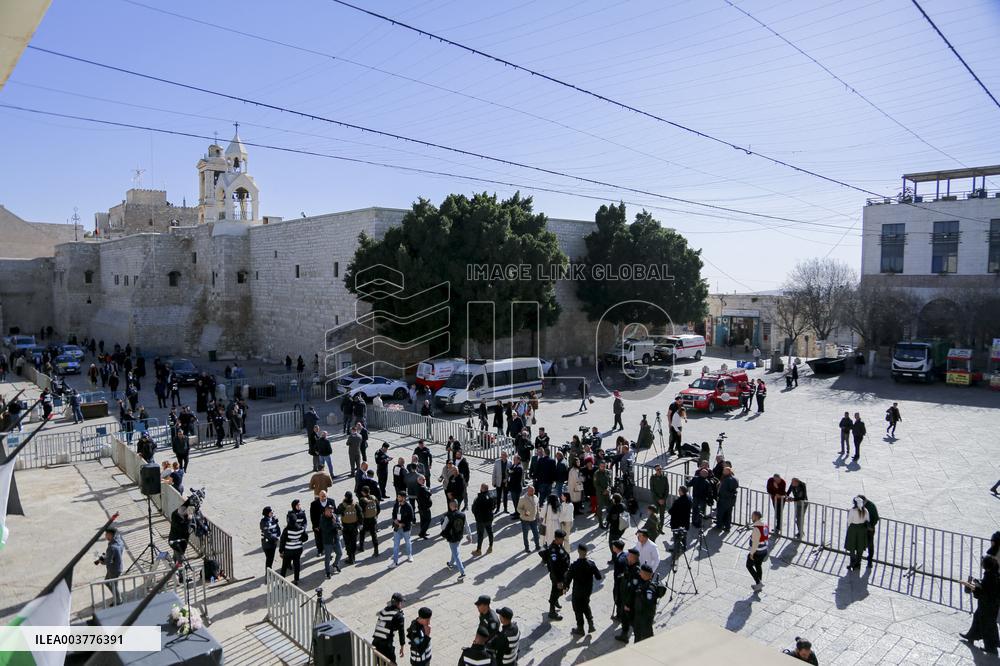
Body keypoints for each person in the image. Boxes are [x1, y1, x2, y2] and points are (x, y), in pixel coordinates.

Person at [960, 556, 999, 656]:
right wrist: (978, 584)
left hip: (988, 605)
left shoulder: (990, 577)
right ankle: (971, 636)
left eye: (982, 562)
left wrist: (969, 585)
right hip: (992, 604)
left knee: (988, 624)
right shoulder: (993, 574)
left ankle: (991, 647)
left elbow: (983, 592)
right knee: (979, 618)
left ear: (986, 566)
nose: (981, 563)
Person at [565, 543, 602, 635]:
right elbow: (598, 577)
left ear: (578, 551)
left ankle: (580, 628)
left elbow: (568, 578)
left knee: (577, 609)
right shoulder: (591, 564)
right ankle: (591, 623)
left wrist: (565, 587)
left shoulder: (574, 565)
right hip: (587, 591)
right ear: (586, 552)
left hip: (577, 591)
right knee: (585, 605)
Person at [540, 529, 571, 620]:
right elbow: (554, 568)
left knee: (563, 590)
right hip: (557, 576)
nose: (563, 540)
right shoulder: (553, 551)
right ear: (557, 538)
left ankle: (555, 599)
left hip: (563, 574)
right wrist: (558, 581)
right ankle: (552, 612)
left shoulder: (559, 545)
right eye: (562, 538)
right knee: (556, 591)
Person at [372, 592, 406, 664]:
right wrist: (402, 647)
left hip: (375, 642)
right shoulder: (399, 615)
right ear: (399, 603)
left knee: (380, 663)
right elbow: (401, 632)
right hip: (386, 645)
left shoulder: (384, 610)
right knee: (391, 664)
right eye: (402, 603)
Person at [744, 510, 770, 592]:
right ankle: (759, 584)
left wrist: (751, 554)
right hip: (764, 550)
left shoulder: (756, 529)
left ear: (756, 517)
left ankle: (758, 582)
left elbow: (755, 543)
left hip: (757, 552)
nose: (751, 517)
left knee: (749, 565)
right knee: (758, 566)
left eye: (752, 516)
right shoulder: (764, 524)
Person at [442, 499, 467, 581]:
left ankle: (462, 572)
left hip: (452, 538)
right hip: (459, 536)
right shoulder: (463, 514)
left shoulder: (448, 515)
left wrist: (442, 523)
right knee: (455, 550)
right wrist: (470, 535)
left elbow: (443, 527)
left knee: (456, 554)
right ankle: (450, 564)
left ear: (451, 506)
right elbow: (466, 525)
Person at [99, 527, 125, 605]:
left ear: (110, 534)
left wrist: (101, 561)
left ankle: (118, 601)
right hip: (118, 566)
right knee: (108, 582)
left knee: (114, 585)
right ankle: (117, 598)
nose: (105, 536)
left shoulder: (111, 547)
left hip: (113, 570)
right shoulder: (120, 540)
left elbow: (108, 562)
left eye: (106, 534)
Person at [389, 492, 415, 568]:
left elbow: (411, 518)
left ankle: (409, 555)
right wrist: (395, 520)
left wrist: (403, 524)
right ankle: (395, 562)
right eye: (397, 497)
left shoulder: (408, 506)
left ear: (403, 498)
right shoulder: (396, 504)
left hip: (405, 528)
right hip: (397, 528)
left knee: (407, 542)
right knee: (396, 545)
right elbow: (393, 513)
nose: (398, 498)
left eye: (399, 497)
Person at [278, 513, 305, 584]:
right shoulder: (300, 528)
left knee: (284, 565)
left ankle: (282, 581)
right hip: (298, 549)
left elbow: (282, 541)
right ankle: (296, 580)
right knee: (297, 565)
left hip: (288, 550)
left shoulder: (286, 530)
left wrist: (281, 551)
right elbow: (305, 537)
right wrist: (298, 539)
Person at [845, 496, 869, 571]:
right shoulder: (865, 510)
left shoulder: (852, 511)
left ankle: (852, 563)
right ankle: (858, 563)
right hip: (862, 530)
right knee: (860, 547)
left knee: (852, 547)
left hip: (853, 529)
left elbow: (849, 521)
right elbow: (868, 520)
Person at [337, 492, 361, 564]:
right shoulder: (355, 504)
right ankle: (353, 557)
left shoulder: (342, 505)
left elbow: (337, 511)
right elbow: (360, 514)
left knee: (347, 543)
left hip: (346, 526)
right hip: (354, 526)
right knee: (353, 542)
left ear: (346, 497)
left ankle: (350, 557)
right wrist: (360, 524)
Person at [472, 484, 495, 556]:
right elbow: (494, 506)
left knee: (480, 535)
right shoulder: (491, 496)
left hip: (481, 520)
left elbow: (474, 509)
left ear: (482, 489)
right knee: (490, 532)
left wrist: (476, 516)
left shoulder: (479, 498)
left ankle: (479, 550)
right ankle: (490, 546)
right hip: (489, 518)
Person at [320, 505, 343, 577]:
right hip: (328, 541)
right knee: (327, 557)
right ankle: (327, 571)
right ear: (326, 511)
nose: (331, 513)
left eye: (332, 511)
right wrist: (334, 524)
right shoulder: (322, 518)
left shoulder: (334, 516)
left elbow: (339, 525)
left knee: (340, 553)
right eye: (330, 512)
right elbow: (326, 529)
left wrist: (338, 525)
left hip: (336, 539)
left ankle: (335, 564)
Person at [358, 487, 380, 556]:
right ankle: (376, 551)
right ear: (369, 491)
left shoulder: (362, 500)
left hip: (365, 520)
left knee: (362, 533)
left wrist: (360, 521)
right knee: (374, 535)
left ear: (363, 492)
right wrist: (375, 515)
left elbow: (360, 512)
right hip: (373, 519)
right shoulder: (374, 498)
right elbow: (378, 508)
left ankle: (361, 547)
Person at [517, 486, 540, 552]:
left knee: (536, 533)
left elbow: (537, 508)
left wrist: (538, 516)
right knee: (525, 534)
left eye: (533, 491)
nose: (532, 492)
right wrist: (524, 512)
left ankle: (537, 545)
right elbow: (518, 508)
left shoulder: (536, 497)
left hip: (534, 519)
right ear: (528, 491)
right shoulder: (523, 499)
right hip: (525, 520)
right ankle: (526, 547)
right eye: (531, 491)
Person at [715, 467, 739, 531]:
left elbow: (723, 491)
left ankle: (719, 526)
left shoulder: (726, 480)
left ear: (728, 471)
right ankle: (727, 526)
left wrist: (718, 495)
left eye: (724, 471)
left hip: (724, 499)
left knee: (720, 513)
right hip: (731, 500)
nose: (723, 472)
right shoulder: (735, 479)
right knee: (728, 514)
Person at [260, 507, 280, 573]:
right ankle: (268, 574)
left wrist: (276, 522)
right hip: (267, 544)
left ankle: (269, 572)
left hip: (273, 542)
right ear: (267, 513)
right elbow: (267, 534)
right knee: (269, 559)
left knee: (270, 559)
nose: (272, 513)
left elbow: (277, 529)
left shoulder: (273, 519)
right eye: (271, 512)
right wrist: (277, 538)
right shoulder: (264, 522)